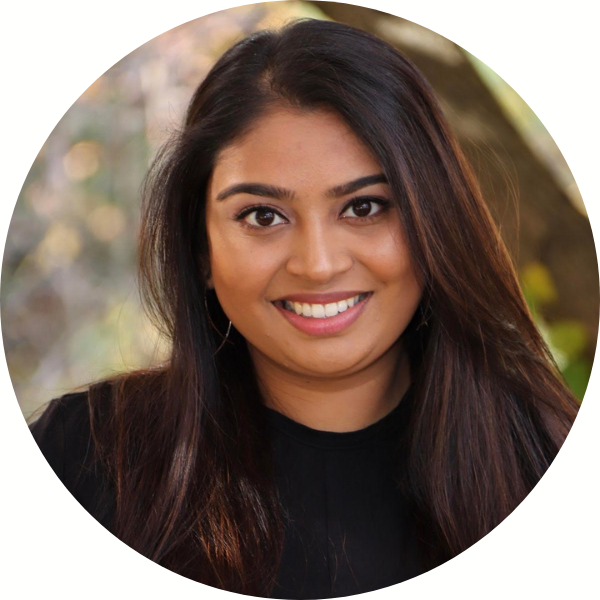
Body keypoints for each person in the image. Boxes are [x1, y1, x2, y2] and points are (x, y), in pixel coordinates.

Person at [30, 18, 579, 598]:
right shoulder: (82, 462)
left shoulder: (551, 459)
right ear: (201, 252)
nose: (317, 265)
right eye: (263, 216)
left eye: (365, 207)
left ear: (434, 223)